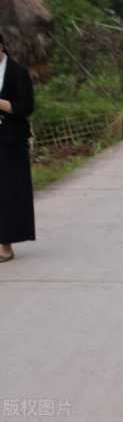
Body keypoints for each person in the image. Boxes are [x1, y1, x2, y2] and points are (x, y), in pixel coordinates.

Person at [0, 31, 36, 262]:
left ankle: (5, 245)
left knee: (8, 192)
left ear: (1, 46)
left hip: (10, 141)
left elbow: (26, 108)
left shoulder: (18, 73)